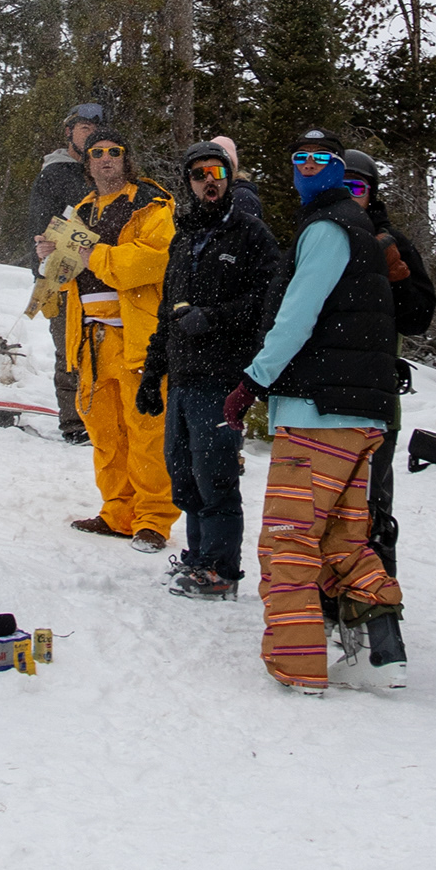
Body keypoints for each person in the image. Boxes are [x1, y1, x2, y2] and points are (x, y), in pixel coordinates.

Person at [222, 134, 407, 693]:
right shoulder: (354, 226)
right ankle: (386, 652)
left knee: (289, 539)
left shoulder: (328, 228)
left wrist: (253, 381)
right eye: (297, 158)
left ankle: (299, 665)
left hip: (319, 413)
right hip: (355, 413)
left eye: (319, 160)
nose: (306, 168)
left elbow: (298, 316)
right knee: (342, 542)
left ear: (336, 168)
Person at [136, 140, 280, 599]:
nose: (207, 182)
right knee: (183, 475)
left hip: (221, 376)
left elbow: (267, 300)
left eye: (215, 173)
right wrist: (152, 374)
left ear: (229, 177)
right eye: (198, 175)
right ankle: (198, 558)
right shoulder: (184, 237)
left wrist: (214, 318)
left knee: (215, 475)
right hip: (182, 376)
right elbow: (166, 312)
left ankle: (220, 570)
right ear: (189, 183)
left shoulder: (250, 233)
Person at [62, 129, 179, 550]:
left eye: (115, 151)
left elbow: (150, 261)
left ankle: (154, 519)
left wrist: (91, 254)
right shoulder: (81, 210)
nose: (106, 158)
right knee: (106, 434)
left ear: (127, 159)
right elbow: (66, 273)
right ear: (87, 162)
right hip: (90, 339)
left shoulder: (151, 203)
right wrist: (51, 255)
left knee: (147, 432)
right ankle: (117, 512)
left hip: (137, 336)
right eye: (97, 153)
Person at [341, 151, 436, 626]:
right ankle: (328, 589)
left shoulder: (391, 242)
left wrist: (396, 279)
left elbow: (419, 317)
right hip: (320, 394)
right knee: (325, 502)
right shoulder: (317, 234)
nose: (350, 195)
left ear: (372, 194)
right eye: (342, 184)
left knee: (373, 500)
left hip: (375, 395)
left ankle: (379, 601)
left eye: (358, 187)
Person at [27, 101, 107, 445]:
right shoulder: (54, 173)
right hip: (59, 275)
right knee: (69, 349)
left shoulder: (106, 170)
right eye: (84, 129)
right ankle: (75, 424)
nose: (90, 136)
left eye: (96, 130)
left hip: (99, 273)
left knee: (102, 350)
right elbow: (38, 227)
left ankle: (100, 416)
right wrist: (42, 262)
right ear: (69, 132)